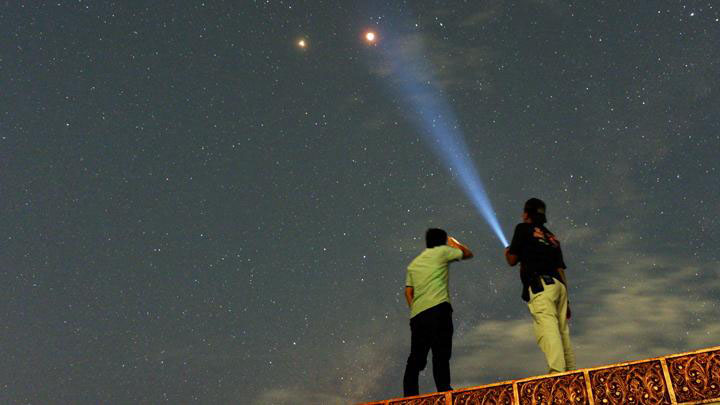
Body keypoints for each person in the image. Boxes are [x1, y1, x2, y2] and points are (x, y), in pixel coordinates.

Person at [504, 198, 576, 373]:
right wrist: (567, 301)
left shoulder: (523, 229)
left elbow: (512, 260)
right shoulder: (552, 238)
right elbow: (560, 269)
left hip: (541, 286)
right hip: (560, 287)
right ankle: (572, 373)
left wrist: (507, 251)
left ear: (526, 214)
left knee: (547, 327)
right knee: (562, 331)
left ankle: (557, 372)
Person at [403, 228, 473, 397]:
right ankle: (443, 390)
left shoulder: (413, 264)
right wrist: (454, 242)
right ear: (442, 241)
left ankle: (409, 395)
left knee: (416, 357)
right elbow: (467, 254)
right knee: (441, 353)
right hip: (439, 309)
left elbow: (408, 292)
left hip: (418, 315)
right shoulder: (442, 252)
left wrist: (416, 308)